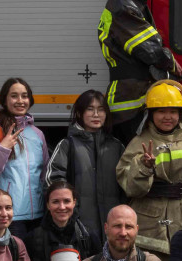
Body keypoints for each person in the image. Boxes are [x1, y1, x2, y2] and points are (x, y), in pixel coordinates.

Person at [97, 0, 182, 145]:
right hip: (128, 102)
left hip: (134, 97)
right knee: (134, 155)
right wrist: (171, 62)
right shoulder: (122, 5)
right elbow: (150, 51)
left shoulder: (133, 2)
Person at [116, 79, 182, 258]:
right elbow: (129, 187)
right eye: (161, 111)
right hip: (150, 225)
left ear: (181, 114)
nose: (167, 117)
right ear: (150, 114)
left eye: (173, 111)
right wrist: (143, 167)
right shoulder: (139, 142)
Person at [43, 89, 125, 245]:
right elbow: (53, 182)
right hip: (78, 229)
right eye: (90, 109)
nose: (96, 114)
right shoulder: (67, 145)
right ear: (79, 113)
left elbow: (127, 186)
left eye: (101, 110)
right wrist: (71, 213)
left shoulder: (116, 146)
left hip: (114, 228)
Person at [0, 77, 48, 236]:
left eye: (24, 96)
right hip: (9, 218)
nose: (20, 101)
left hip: (38, 217)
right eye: (14, 96)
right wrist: (3, 148)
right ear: (5, 100)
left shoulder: (38, 134)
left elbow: (44, 176)